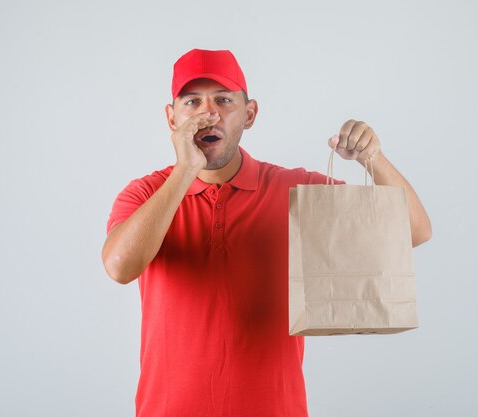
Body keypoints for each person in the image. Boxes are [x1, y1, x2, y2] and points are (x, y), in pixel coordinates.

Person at [102, 48, 431, 417]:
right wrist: (185, 170)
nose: (208, 115)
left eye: (223, 100)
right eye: (192, 102)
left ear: (250, 113)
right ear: (171, 117)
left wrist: (375, 157)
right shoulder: (145, 194)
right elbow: (119, 267)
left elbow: (414, 230)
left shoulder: (296, 191)